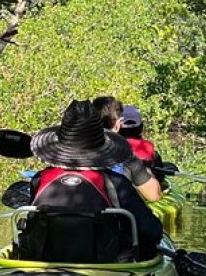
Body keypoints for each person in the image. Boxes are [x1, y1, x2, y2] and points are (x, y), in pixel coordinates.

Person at [26, 100, 163, 261]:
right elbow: (152, 231)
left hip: (45, 266)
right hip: (104, 267)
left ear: (60, 146)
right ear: (101, 148)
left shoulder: (39, 179)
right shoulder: (116, 182)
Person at [92, 96, 162, 202]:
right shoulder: (125, 154)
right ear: (118, 124)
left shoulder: (70, 149)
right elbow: (154, 195)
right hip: (113, 212)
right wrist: (148, 173)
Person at [118, 104, 168, 184]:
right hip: (146, 182)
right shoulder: (148, 146)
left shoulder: (114, 145)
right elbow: (160, 178)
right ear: (140, 127)